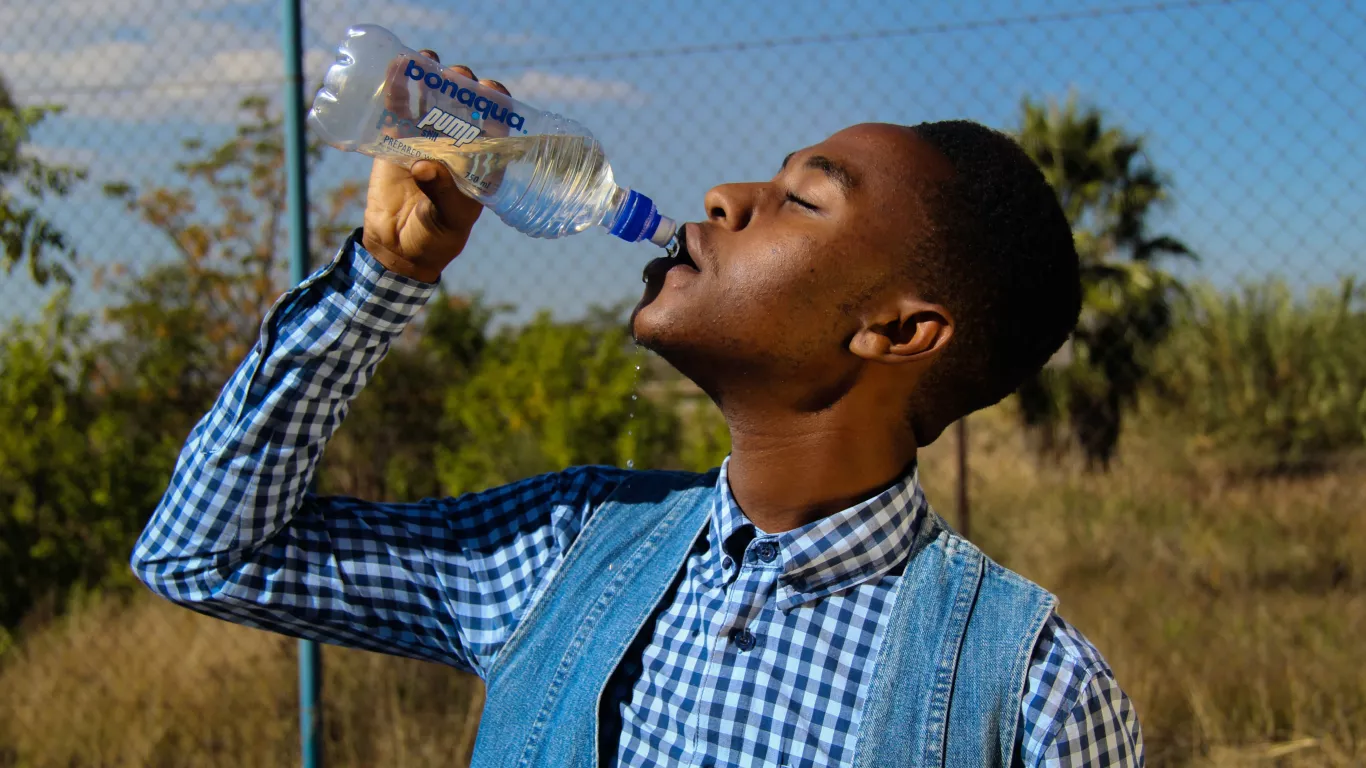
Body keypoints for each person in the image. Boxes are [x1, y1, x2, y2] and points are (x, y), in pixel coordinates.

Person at [132, 51, 1143, 768]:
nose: (722, 196)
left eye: (801, 198)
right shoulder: (570, 548)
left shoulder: (1030, 696)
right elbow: (206, 554)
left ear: (896, 332)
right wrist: (384, 279)